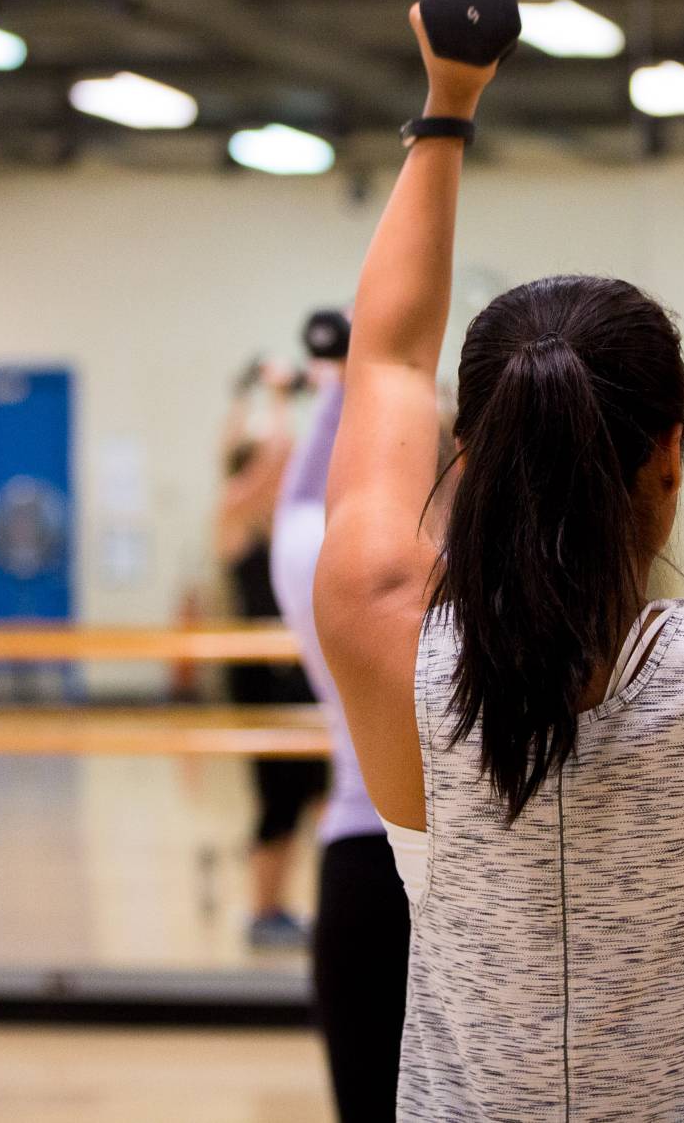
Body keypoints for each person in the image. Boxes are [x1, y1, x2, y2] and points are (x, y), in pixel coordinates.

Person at [314, 0, 684, 1118]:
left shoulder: (380, 627)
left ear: (468, 455)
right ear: (670, 457)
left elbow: (379, 361)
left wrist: (445, 102)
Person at [270, 349, 412, 1122]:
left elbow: (296, 506)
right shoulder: (483, 585)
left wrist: (343, 388)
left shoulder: (319, 573)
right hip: (464, 880)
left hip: (358, 871)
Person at [216, 361, 328, 948]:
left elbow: (273, 457)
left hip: (291, 670)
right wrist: (280, 396)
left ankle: (279, 905)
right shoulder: (232, 516)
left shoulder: (275, 522)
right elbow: (276, 454)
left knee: (307, 790)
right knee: (275, 796)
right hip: (255, 674)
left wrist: (254, 394)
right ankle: (263, 909)